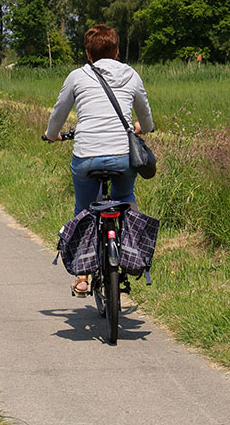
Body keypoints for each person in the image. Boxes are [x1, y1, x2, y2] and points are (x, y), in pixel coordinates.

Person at [44, 24, 154, 297]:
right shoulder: (131, 75)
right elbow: (147, 119)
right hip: (122, 157)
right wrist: (141, 128)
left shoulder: (77, 77)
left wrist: (52, 135)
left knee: (83, 207)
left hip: (86, 157)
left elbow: (59, 112)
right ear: (117, 52)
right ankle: (135, 252)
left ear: (88, 53)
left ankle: (82, 276)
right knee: (126, 195)